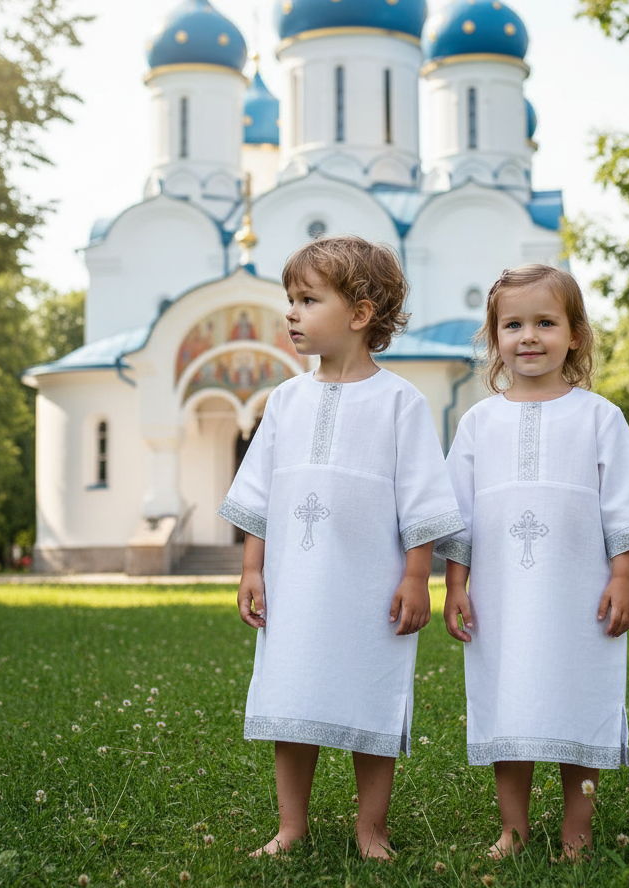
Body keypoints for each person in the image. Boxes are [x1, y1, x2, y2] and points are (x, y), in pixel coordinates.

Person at [218, 235, 463, 860]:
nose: (291, 313)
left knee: (370, 701)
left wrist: (417, 578)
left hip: (370, 588)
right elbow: (258, 493)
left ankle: (370, 828)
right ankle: (291, 826)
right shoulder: (285, 400)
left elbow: (422, 500)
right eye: (291, 300)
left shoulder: (400, 402)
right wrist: (252, 568)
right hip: (294, 585)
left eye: (308, 300)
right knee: (292, 696)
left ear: (359, 313)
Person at [436, 264, 629, 861]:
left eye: (546, 322)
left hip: (579, 598)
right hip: (500, 602)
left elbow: (624, 506)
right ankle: (512, 830)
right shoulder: (478, 423)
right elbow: (460, 517)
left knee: (580, 705)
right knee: (507, 705)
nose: (529, 337)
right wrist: (456, 586)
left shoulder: (599, 417)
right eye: (513, 325)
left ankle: (578, 830)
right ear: (495, 338)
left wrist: (624, 578)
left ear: (575, 335)